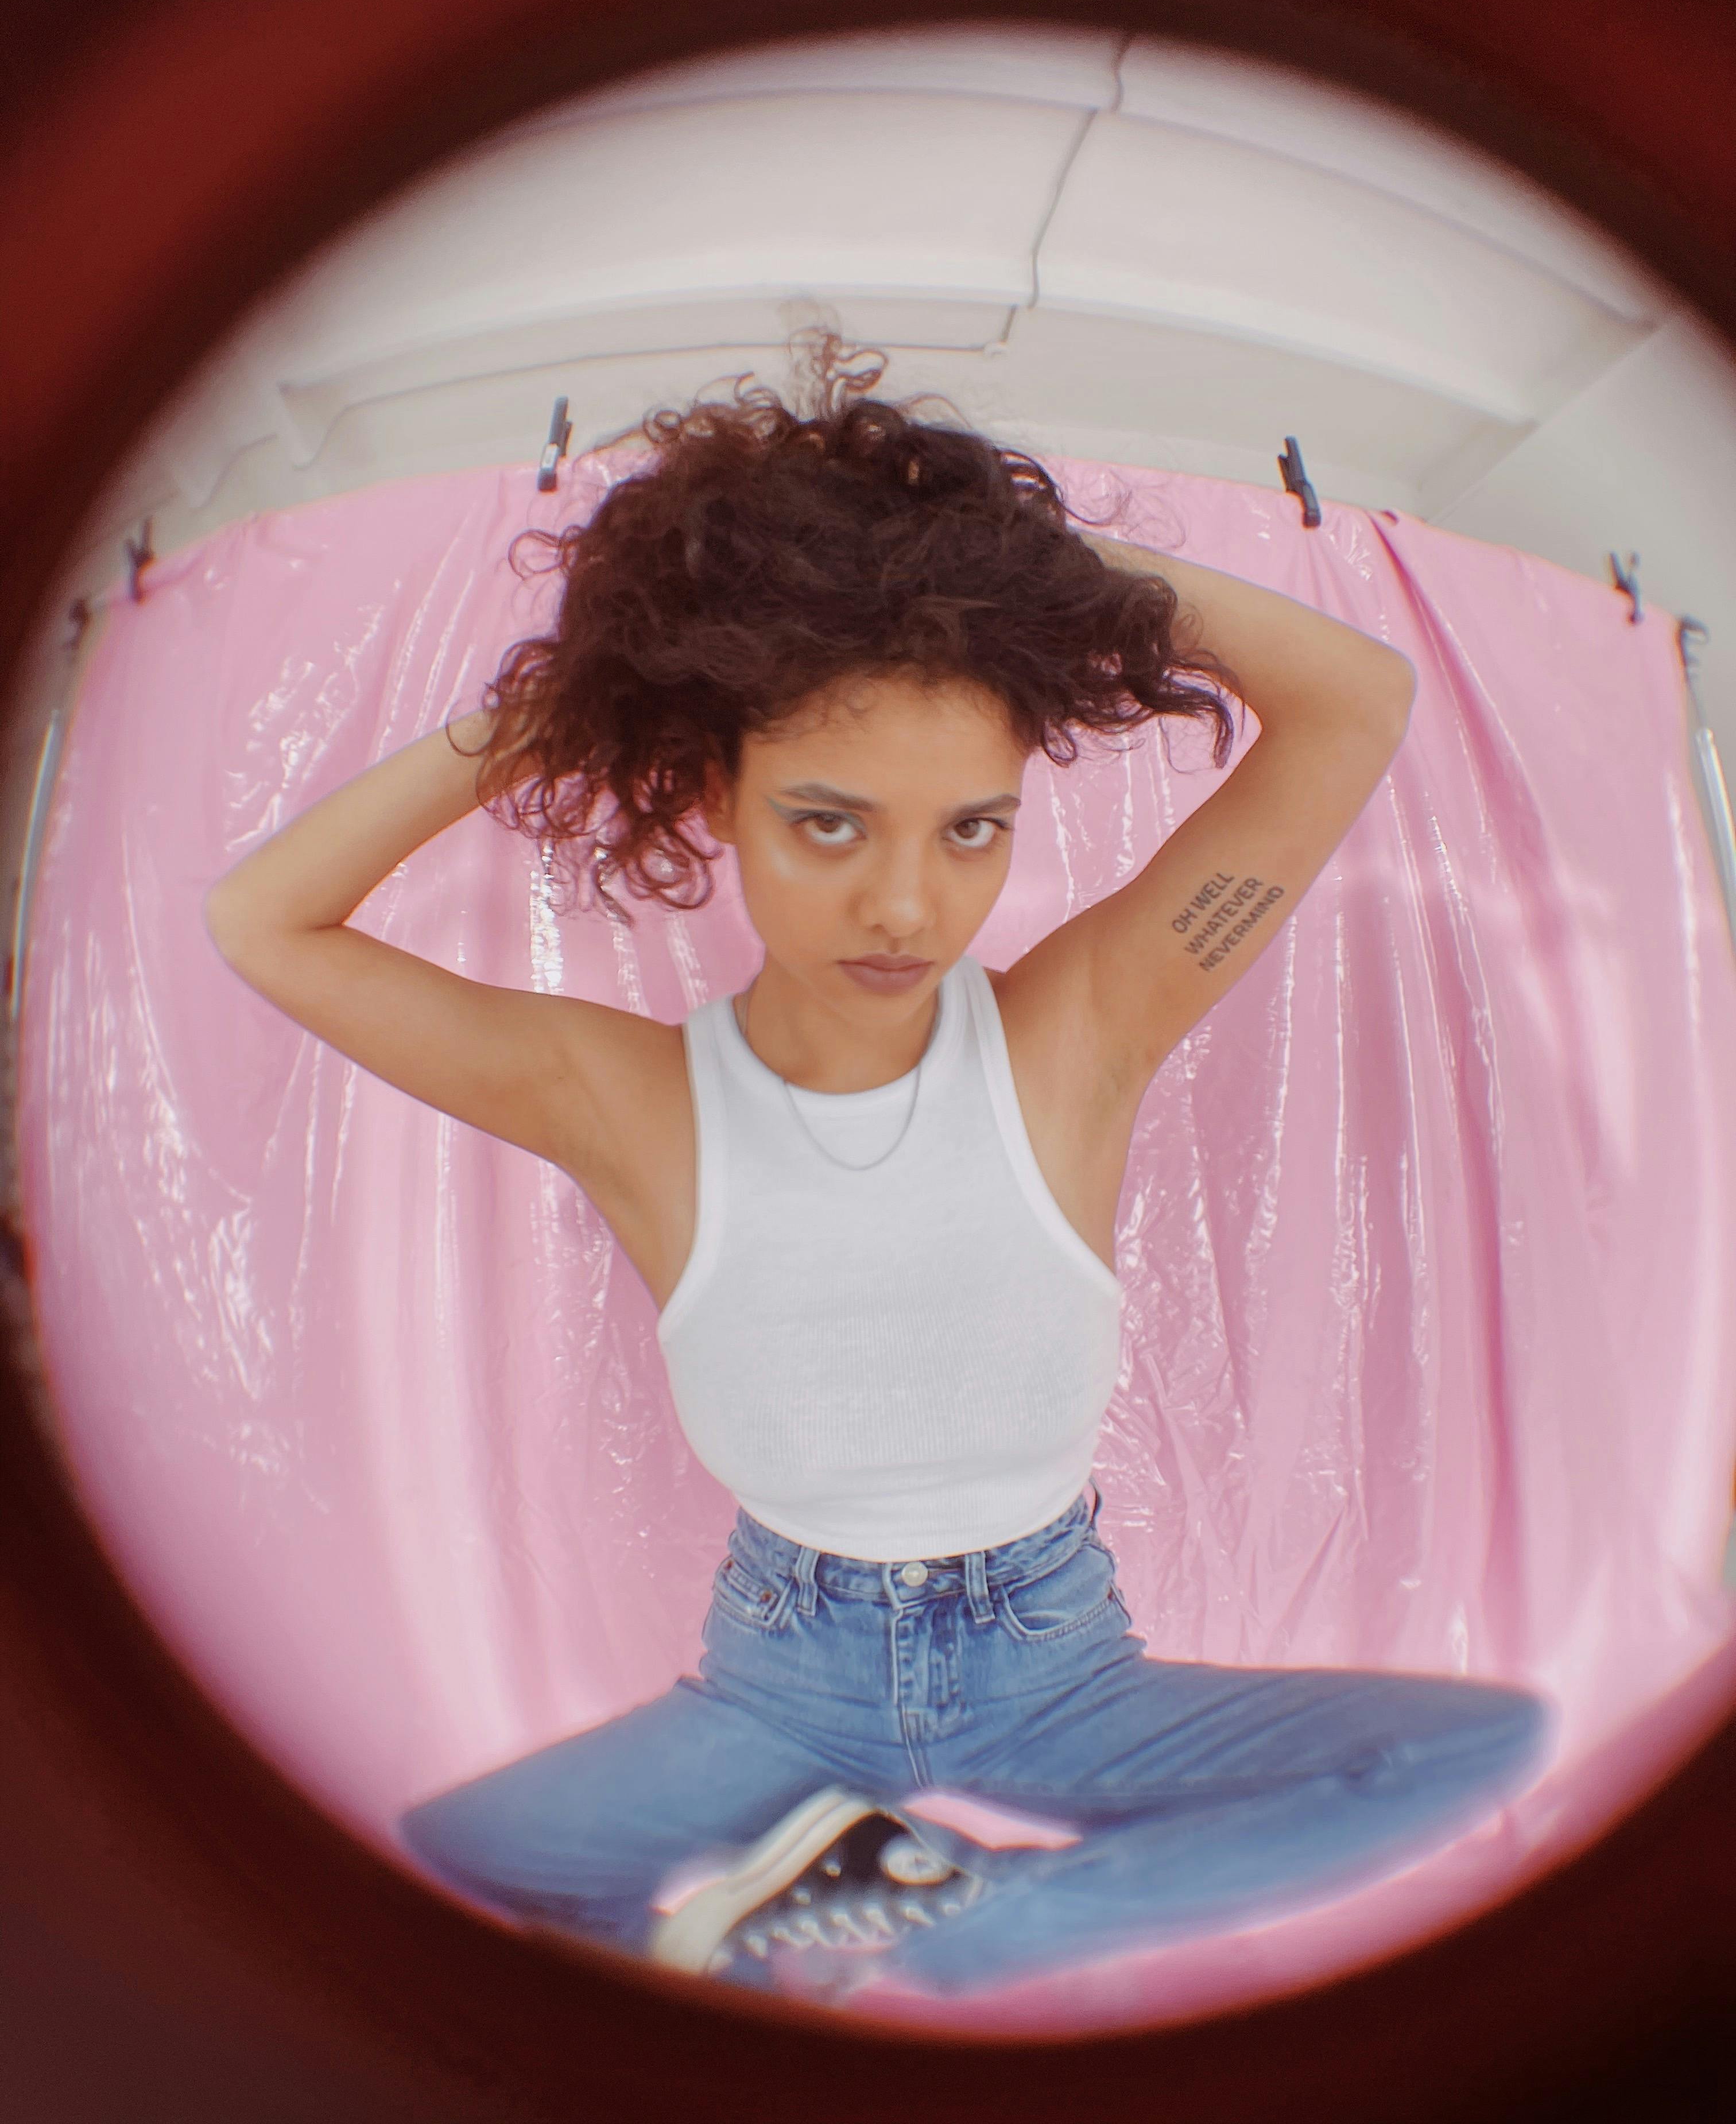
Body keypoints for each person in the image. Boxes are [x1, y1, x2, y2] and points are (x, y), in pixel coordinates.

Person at [203, 329, 1551, 2007]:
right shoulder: (617, 1098)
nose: (909, 907)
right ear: (715, 791)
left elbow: (1361, 698)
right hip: (785, 1682)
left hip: (1061, 1671)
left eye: (971, 829)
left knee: (1473, 1747)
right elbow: (263, 923)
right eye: (830, 823)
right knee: (466, 1861)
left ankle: (951, 1916)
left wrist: (1021, 576)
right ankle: (818, 1934)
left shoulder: (1086, 1029)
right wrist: (565, 704)